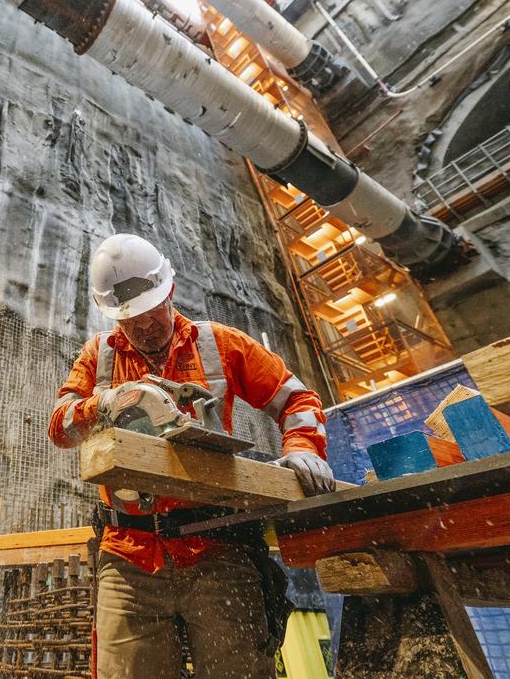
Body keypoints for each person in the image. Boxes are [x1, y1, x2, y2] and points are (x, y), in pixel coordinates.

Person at [49, 234, 335, 679]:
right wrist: (107, 402)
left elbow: (297, 400)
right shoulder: (99, 356)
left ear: (170, 293)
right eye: (131, 322)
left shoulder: (220, 344)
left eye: (151, 316)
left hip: (217, 551)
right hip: (129, 558)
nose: (144, 329)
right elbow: (60, 427)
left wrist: (302, 448)